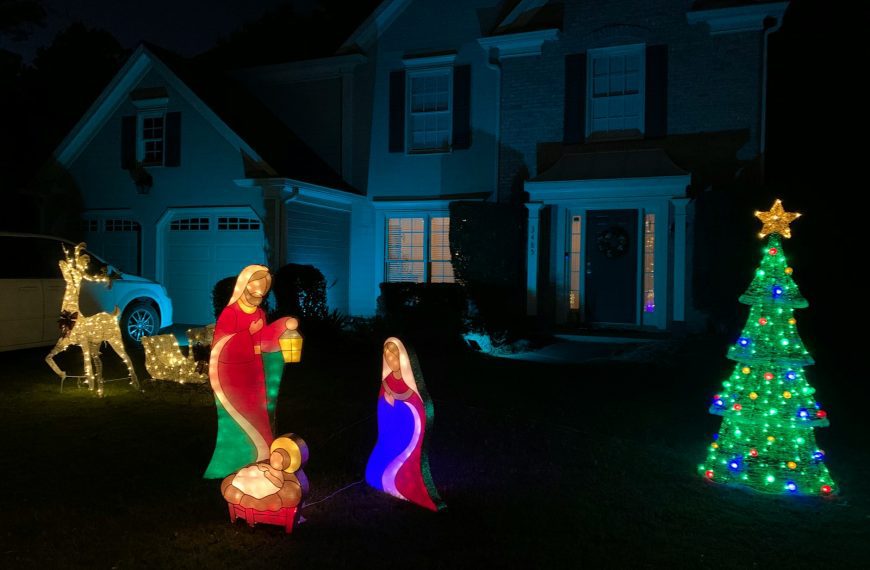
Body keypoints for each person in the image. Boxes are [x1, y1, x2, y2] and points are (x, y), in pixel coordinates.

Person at [204, 265, 298, 479]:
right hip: (232, 375)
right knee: (240, 418)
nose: (257, 295)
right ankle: (236, 460)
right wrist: (248, 333)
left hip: (255, 372)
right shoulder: (230, 313)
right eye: (253, 289)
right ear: (243, 286)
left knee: (260, 415)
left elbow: (263, 340)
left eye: (262, 292)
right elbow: (222, 344)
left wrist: (283, 326)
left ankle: (261, 457)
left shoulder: (260, 313)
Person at [364, 337, 444, 511]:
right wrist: (388, 402)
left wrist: (399, 400)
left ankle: (405, 485)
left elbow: (416, 402)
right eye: (386, 355)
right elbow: (383, 406)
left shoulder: (409, 384)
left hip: (409, 428)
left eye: (393, 355)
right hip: (391, 430)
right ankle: (381, 478)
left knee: (405, 456)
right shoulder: (386, 381)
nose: (390, 359)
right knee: (386, 453)